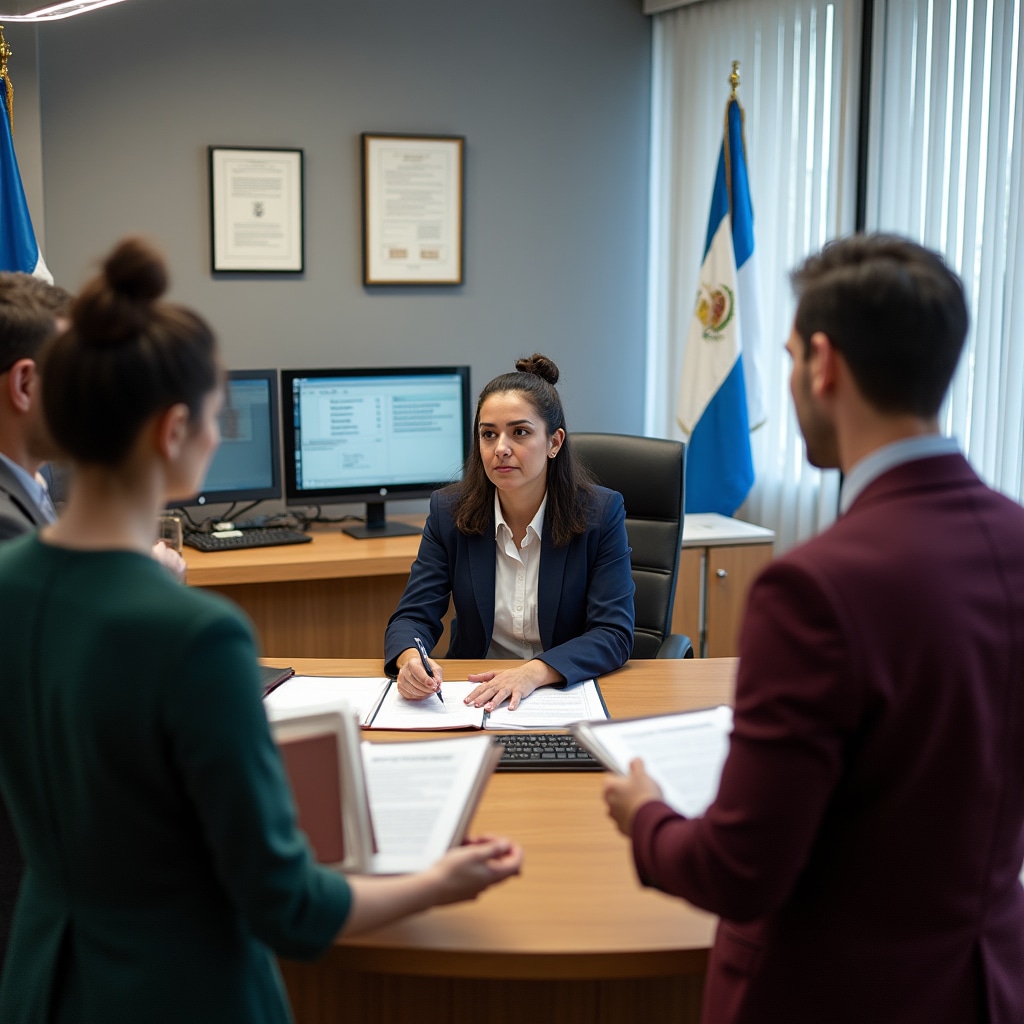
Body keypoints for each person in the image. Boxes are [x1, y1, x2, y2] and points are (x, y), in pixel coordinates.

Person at [0, 238, 523, 1024]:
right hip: (177, 993)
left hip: (43, 975)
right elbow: (287, 908)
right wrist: (442, 881)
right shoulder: (194, 635)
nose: (220, 437)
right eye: (219, 419)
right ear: (173, 432)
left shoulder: (11, 582)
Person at [602, 235, 1024, 1024]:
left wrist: (646, 815)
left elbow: (740, 872)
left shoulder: (814, 589)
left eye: (791, 354)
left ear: (822, 363)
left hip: (834, 992)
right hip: (988, 981)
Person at [385, 354, 635, 711]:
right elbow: (412, 616)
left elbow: (613, 633)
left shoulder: (599, 513)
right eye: (488, 434)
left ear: (554, 442)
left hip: (562, 691)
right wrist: (409, 659)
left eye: (519, 432)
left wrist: (532, 672)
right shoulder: (449, 512)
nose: (501, 448)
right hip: (473, 696)